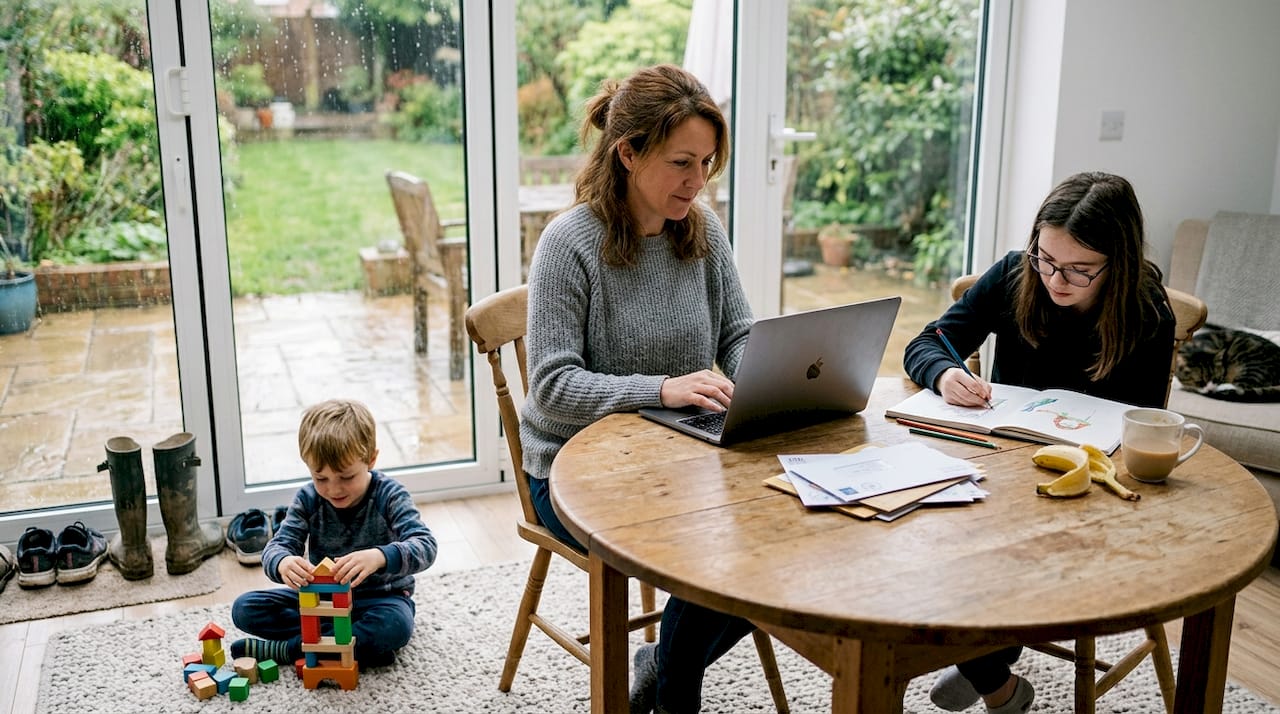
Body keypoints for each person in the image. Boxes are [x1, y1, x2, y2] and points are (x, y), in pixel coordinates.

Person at [519, 64, 754, 714]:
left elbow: (738, 332)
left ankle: (662, 664)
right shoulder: (570, 244)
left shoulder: (703, 231)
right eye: (682, 161)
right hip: (570, 473)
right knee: (716, 559)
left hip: (682, 456)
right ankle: (676, 690)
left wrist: (762, 374)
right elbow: (553, 387)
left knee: (780, 546)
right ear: (628, 152)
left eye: (706, 162)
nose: (698, 180)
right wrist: (664, 389)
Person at [903, 171, 1175, 713]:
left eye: (1079, 269)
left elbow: (1142, 424)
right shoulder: (1014, 274)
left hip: (1084, 492)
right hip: (994, 468)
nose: (1056, 279)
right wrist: (942, 374)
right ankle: (993, 670)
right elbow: (928, 341)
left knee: (965, 559)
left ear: (1116, 263)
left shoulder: (1146, 310)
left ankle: (986, 660)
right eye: (1046, 259)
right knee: (922, 537)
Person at [229, 398, 438, 668]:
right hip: (320, 602)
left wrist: (380, 557)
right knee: (245, 608)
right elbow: (278, 546)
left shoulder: (390, 495)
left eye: (347, 477)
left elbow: (425, 545)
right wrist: (283, 563)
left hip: (380, 601)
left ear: (371, 459)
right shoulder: (308, 499)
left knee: (395, 626)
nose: (334, 489)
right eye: (321, 478)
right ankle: (355, 649)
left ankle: (290, 649)